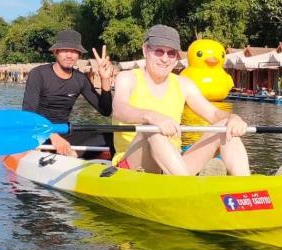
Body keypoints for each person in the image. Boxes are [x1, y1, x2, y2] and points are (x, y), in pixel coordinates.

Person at [110, 25, 254, 176]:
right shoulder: (127, 78)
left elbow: (213, 114)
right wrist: (152, 116)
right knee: (151, 127)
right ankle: (188, 186)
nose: (165, 59)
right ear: (146, 50)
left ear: (177, 57)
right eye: (159, 51)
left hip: (174, 163)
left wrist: (234, 118)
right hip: (134, 164)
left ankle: (245, 186)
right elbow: (119, 109)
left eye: (171, 53)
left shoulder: (183, 84)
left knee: (226, 127)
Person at [22, 29, 115, 157]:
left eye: (74, 51)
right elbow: (28, 114)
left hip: (64, 131)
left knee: (111, 136)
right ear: (55, 52)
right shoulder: (38, 74)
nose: (69, 55)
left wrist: (105, 79)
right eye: (65, 50)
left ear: (79, 55)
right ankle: (70, 154)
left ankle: (72, 155)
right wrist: (52, 135)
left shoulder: (80, 79)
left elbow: (105, 111)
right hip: (37, 131)